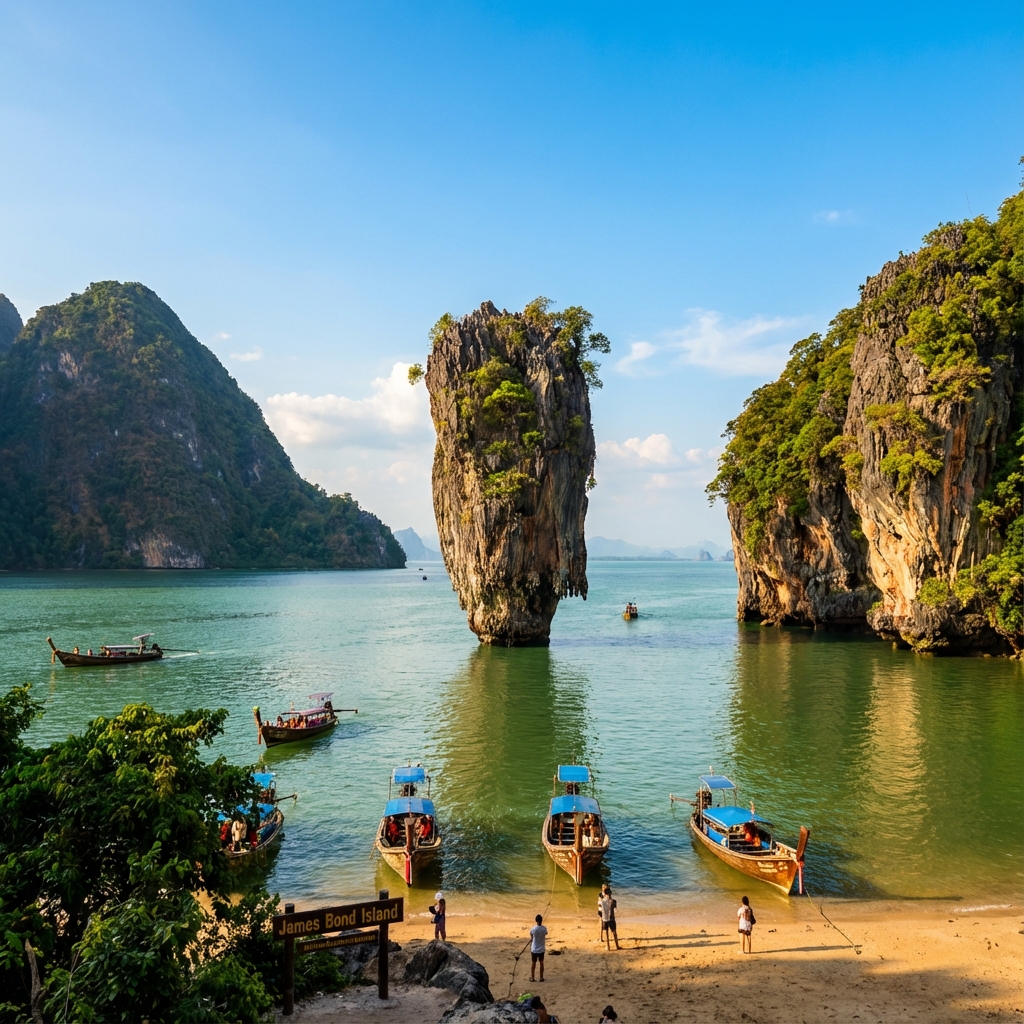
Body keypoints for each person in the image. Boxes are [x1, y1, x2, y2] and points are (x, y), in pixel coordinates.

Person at [598, 884, 621, 950]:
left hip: (605, 919)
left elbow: (600, 910)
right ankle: (617, 946)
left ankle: (608, 946)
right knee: (614, 932)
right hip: (612, 918)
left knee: (606, 933)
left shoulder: (602, 901)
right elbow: (615, 910)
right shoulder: (614, 901)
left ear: (605, 894)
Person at [530, 914, 548, 982]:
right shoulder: (544, 928)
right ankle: (541, 977)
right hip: (541, 949)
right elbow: (546, 933)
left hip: (534, 948)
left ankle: (532, 977)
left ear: (536, 921)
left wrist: (532, 938)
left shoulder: (533, 929)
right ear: (541, 920)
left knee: (533, 963)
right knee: (541, 962)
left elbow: (531, 934)